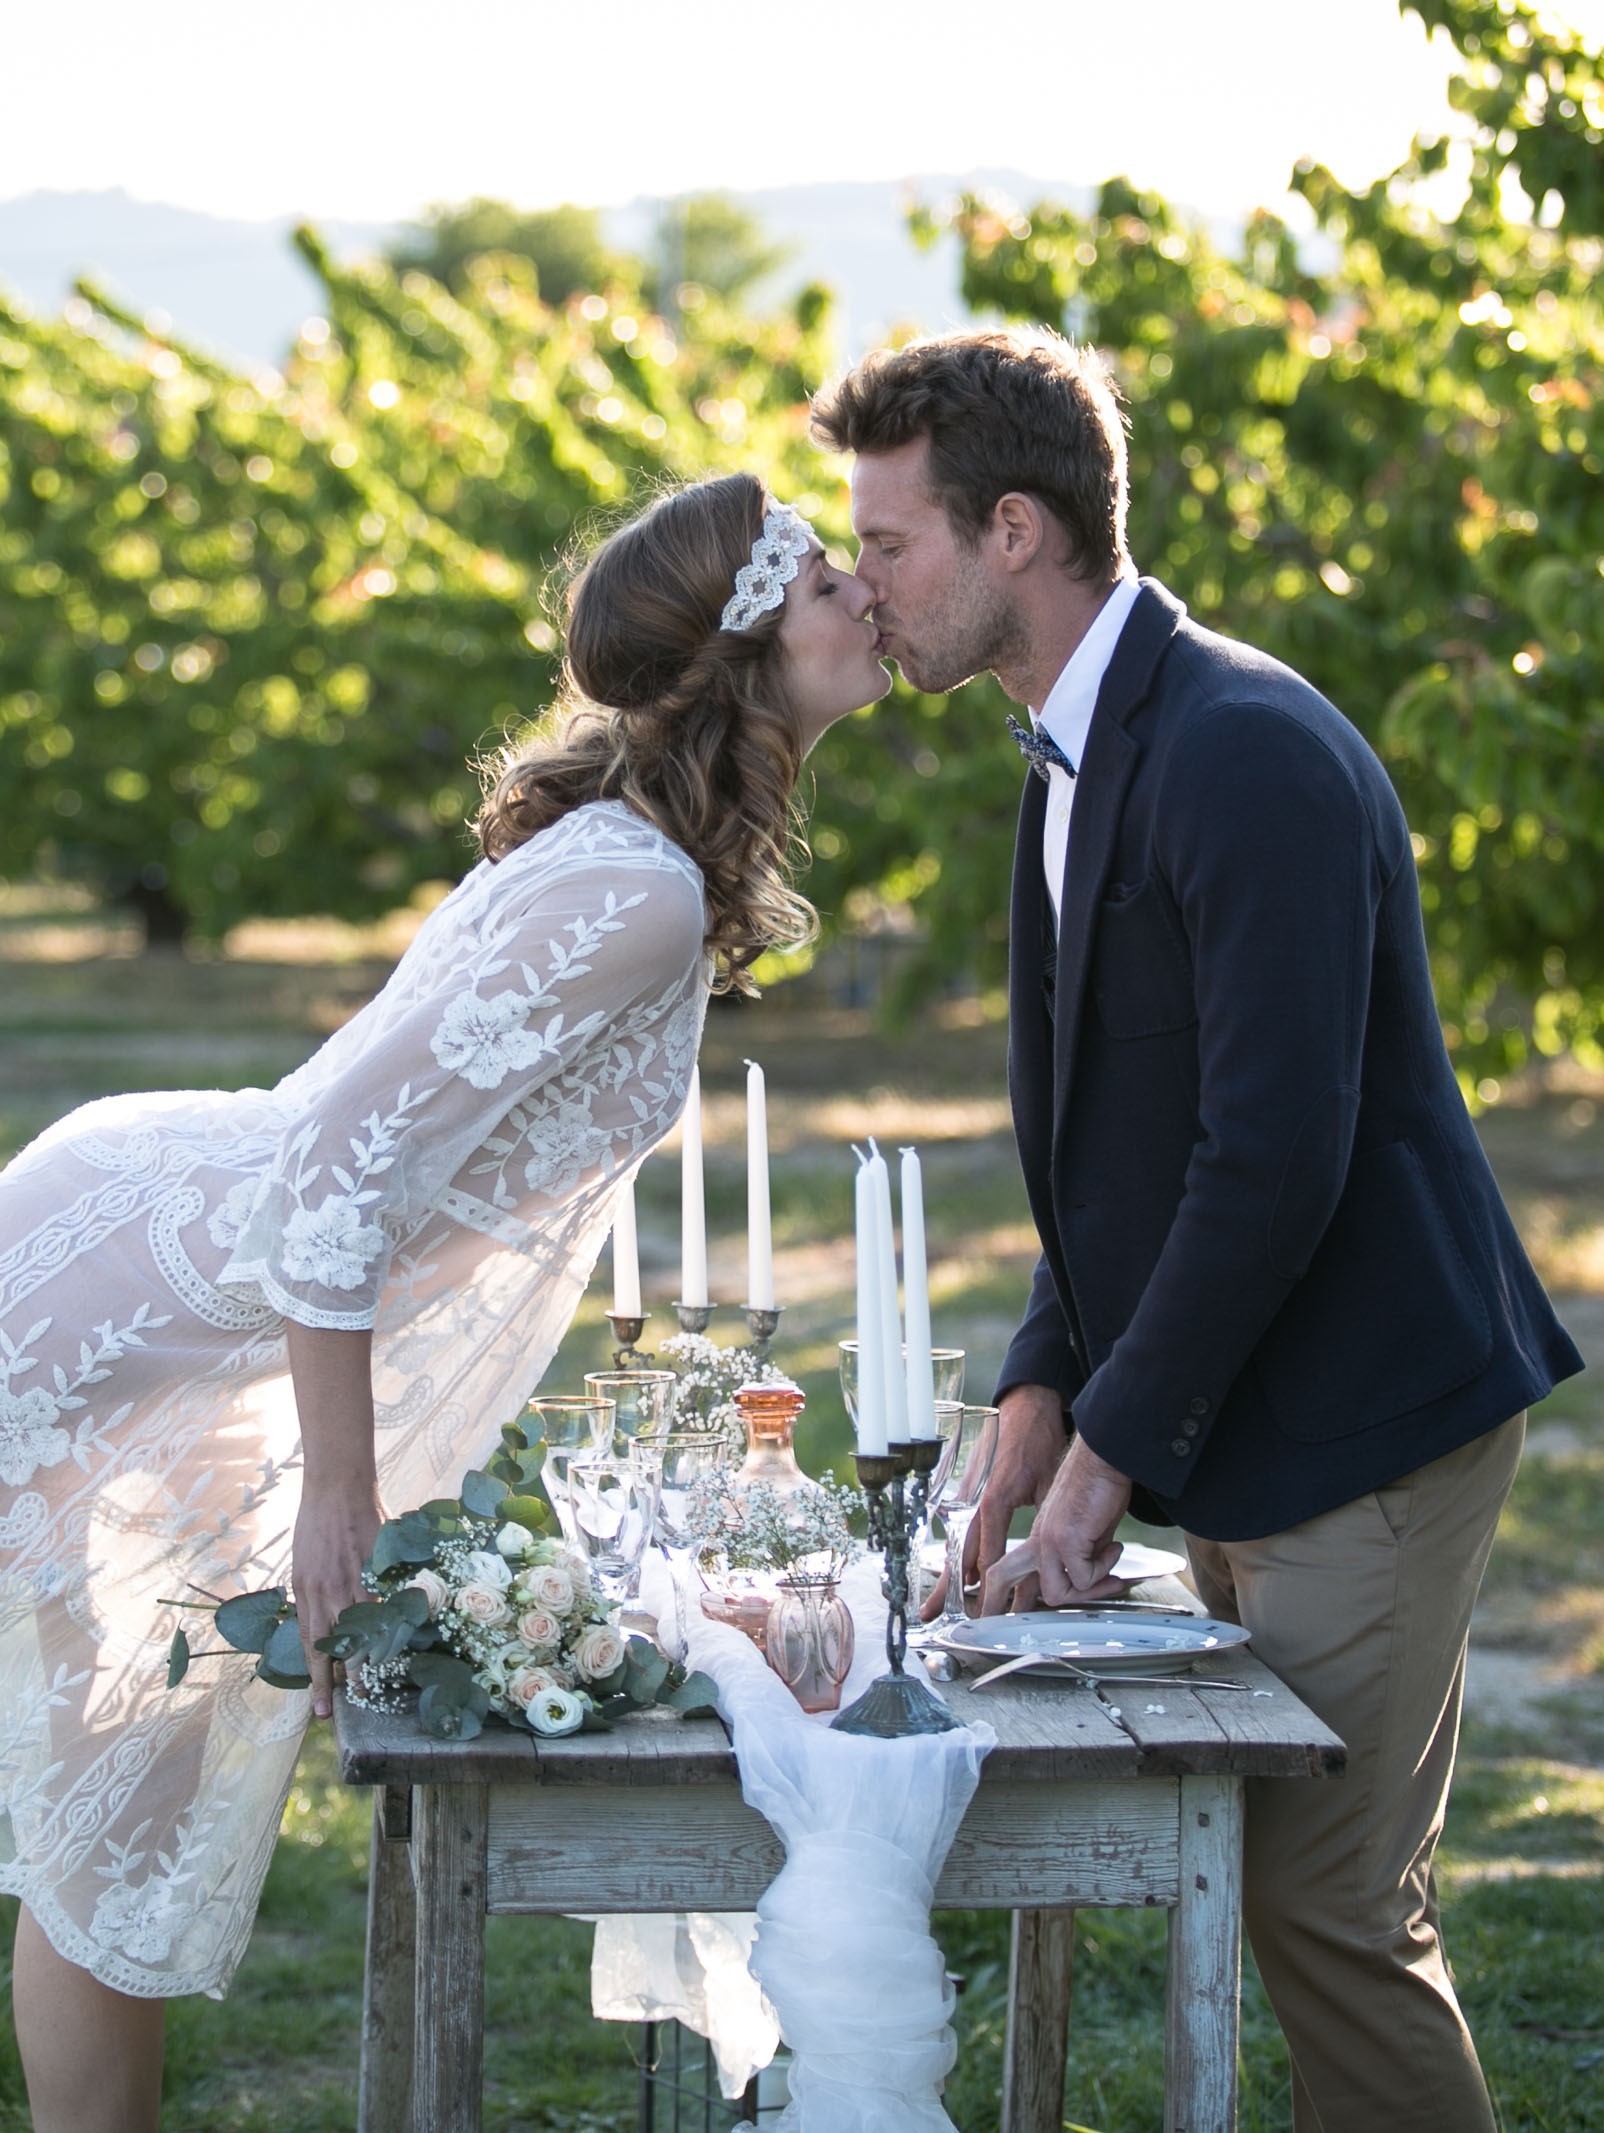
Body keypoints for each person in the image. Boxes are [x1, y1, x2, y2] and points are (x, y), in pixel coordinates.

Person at [0, 471, 889, 2133]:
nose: (864, 598)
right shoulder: (631, 886)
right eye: (827, 576)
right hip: (147, 1298)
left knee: (116, 1819)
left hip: (212, 1291)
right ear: (748, 645)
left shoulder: (637, 865)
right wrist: (344, 1490)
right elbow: (340, 1162)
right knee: (118, 1822)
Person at [812, 328, 1583, 2133]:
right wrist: (1036, 1384)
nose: (864, 583)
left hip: (1366, 1425)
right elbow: (1114, 1143)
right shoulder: (1066, 755)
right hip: (1241, 1418)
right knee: (1282, 1894)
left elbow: (1273, 1160)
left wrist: (1102, 1469)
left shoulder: (1243, 751)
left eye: (890, 541)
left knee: (1328, 1911)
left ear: (1015, 530)